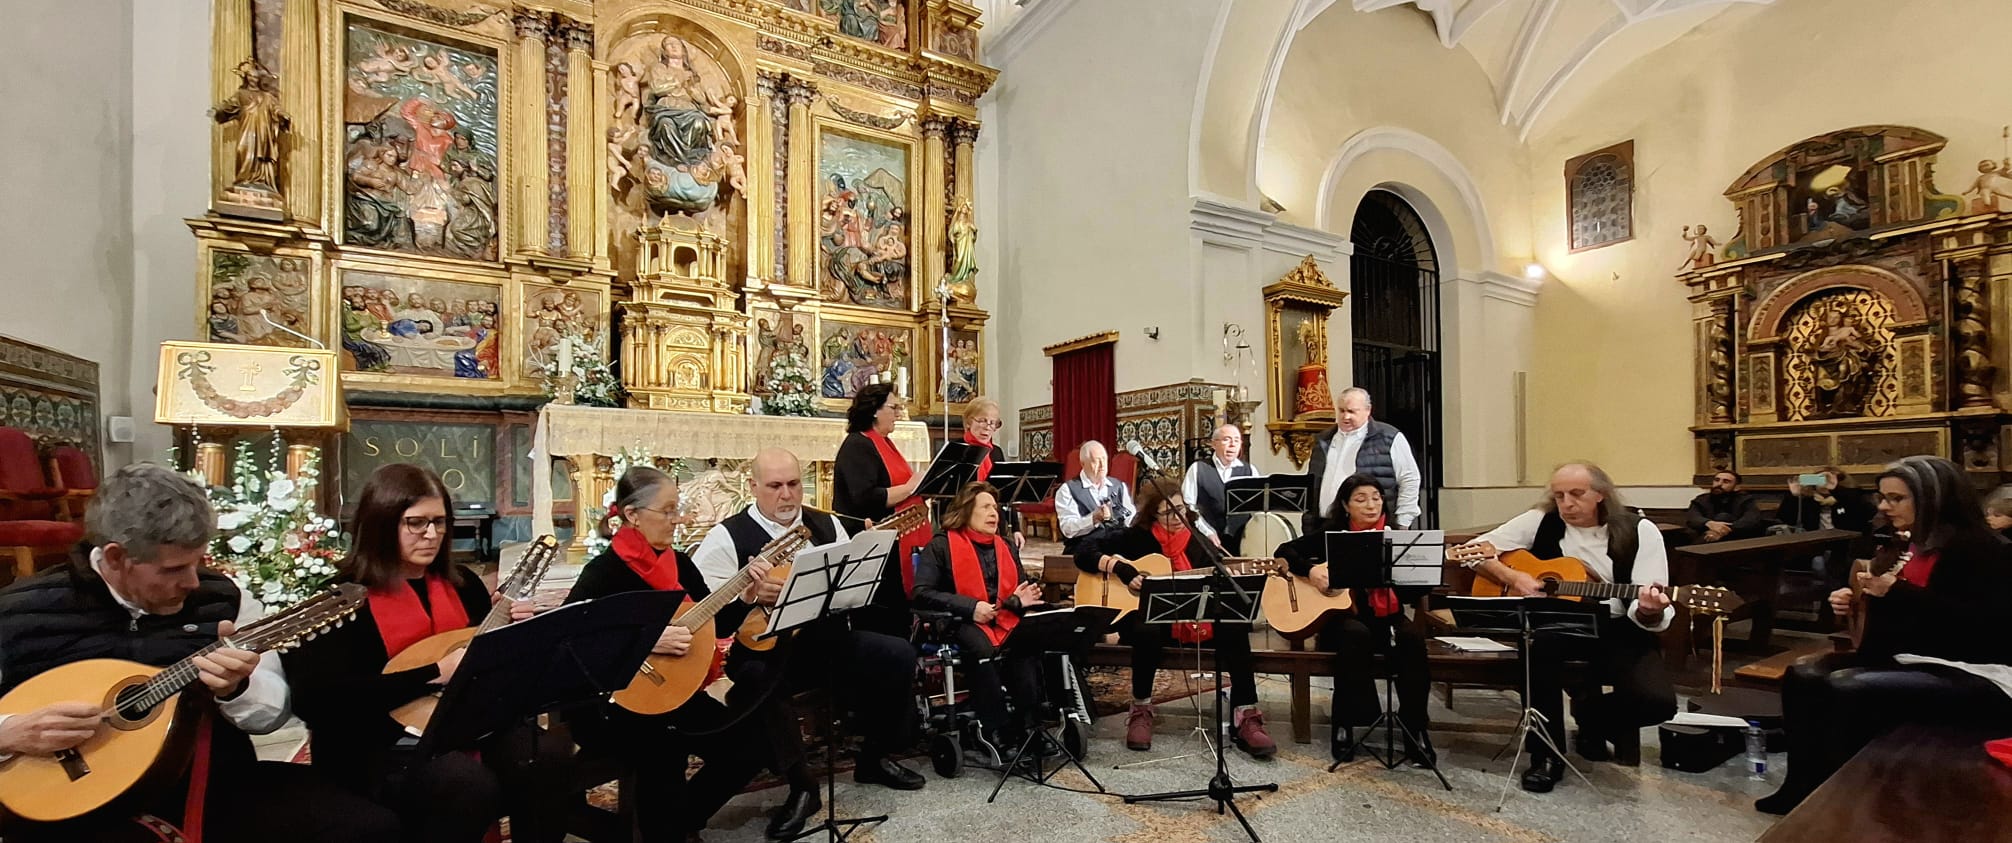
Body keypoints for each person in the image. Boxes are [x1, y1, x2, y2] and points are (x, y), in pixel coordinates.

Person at [0, 464, 398, 843]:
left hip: (208, 785)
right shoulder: (20, 611)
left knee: (365, 827)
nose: (193, 582)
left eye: (199, 562)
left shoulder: (223, 600)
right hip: (66, 802)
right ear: (117, 557)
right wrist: (12, 731)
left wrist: (236, 689)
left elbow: (270, 717)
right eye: (173, 569)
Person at [282, 464, 544, 842]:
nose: (432, 534)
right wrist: (434, 672)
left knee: (542, 757)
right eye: (416, 523)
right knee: (465, 784)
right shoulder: (341, 598)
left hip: (455, 722)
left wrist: (509, 629)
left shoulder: (463, 584)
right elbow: (317, 699)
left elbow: (482, 660)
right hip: (371, 743)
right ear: (382, 523)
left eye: (439, 522)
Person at [1755, 456, 2012, 815]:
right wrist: (1855, 602)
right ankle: (1803, 786)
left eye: (1896, 498)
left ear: (1934, 499)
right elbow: (1904, 615)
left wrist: (1895, 594)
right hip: (1919, 658)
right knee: (1804, 675)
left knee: (1849, 687)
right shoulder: (1915, 546)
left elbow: (1984, 631)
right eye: (1883, 497)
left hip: (1979, 671)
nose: (1884, 506)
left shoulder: (1985, 550)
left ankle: (1854, 803)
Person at [693, 447, 927, 822]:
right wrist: (748, 597)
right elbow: (710, 620)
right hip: (763, 651)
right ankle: (803, 786)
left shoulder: (826, 524)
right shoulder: (726, 537)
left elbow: (848, 592)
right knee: (758, 679)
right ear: (752, 486)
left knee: (897, 654)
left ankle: (874, 757)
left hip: (822, 641)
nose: (786, 494)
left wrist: (867, 555)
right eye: (774, 486)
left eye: (794, 484)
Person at [564, 466, 774, 841]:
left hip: (673, 691)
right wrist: (645, 641)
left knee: (749, 747)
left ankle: (680, 821)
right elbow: (572, 642)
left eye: (678, 509)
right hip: (613, 702)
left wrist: (746, 595)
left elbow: (718, 625)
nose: (678, 520)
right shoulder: (604, 572)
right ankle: (665, 830)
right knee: (663, 747)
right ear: (632, 515)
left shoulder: (679, 563)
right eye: (668, 511)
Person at [1452, 462, 1677, 793]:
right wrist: (1513, 577)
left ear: (1601, 494)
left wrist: (1647, 609)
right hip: (1556, 624)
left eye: (1576, 494)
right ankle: (1545, 756)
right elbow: (1474, 552)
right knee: (1537, 651)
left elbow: (1649, 608)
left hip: (1618, 627)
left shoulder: (1639, 531)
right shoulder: (1541, 520)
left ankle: (1589, 715)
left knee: (1658, 702)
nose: (1566, 504)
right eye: (1558, 496)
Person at [1076, 481, 1276, 760]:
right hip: (1148, 623)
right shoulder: (1137, 538)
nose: (1175, 518)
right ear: (1152, 515)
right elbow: (1083, 551)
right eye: (1166, 513)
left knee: (1235, 628)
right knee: (1147, 628)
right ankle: (1141, 709)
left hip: (1194, 621)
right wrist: (1120, 568)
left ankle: (1246, 714)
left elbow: (1221, 580)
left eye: (1180, 510)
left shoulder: (1198, 543)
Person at [1273, 474, 1432, 766]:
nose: (1371, 505)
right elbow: (1284, 552)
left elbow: (1414, 592)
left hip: (1388, 620)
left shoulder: (1398, 538)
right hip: (1342, 620)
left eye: (1376, 498)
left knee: (1411, 639)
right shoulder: (1331, 533)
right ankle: (1344, 724)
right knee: (1355, 635)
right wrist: (1312, 572)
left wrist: (1417, 577)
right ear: (1346, 505)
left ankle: (1415, 728)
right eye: (1361, 499)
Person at [913, 482, 1048, 750]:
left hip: (1005, 616)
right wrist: (971, 607)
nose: (994, 513)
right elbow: (921, 593)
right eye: (985, 507)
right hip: (958, 619)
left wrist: (1021, 600)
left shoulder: (1006, 546)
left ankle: (1030, 726)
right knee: (982, 649)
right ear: (966, 511)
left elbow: (1019, 591)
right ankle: (996, 728)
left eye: (995, 508)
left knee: (1025, 645)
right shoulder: (941, 546)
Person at [831, 382, 926, 635]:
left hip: (891, 540)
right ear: (875, 410)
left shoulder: (883, 443)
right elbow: (864, 498)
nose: (898, 413)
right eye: (893, 407)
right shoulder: (857, 445)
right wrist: (910, 488)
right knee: (883, 616)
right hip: (871, 542)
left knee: (897, 615)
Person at [1304, 387, 1421, 537]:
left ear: (1368, 410)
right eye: (1341, 411)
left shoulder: (1389, 437)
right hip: (1324, 524)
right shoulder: (1323, 440)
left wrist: (1403, 521)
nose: (1346, 416)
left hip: (1373, 526)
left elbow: (1409, 479)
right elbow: (1314, 484)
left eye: (1352, 411)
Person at [1182, 424, 1256, 555]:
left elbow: (1258, 509)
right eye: (1227, 439)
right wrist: (1207, 531)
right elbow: (1189, 506)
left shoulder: (1250, 470)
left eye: (1237, 440)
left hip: (1243, 541)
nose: (1233, 444)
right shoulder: (1198, 469)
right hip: (1208, 542)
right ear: (1214, 444)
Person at [961, 396, 1023, 549]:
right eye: (982, 420)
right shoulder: (958, 450)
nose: (987, 427)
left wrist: (1016, 528)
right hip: (965, 523)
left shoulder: (996, 452)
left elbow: (1007, 491)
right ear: (969, 422)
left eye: (993, 423)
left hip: (995, 523)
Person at [1054, 440, 1135, 554]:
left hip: (1116, 545)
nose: (1102, 466)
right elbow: (1068, 529)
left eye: (1104, 460)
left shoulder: (1118, 486)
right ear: (1083, 463)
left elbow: (1131, 518)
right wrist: (1093, 519)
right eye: (1096, 461)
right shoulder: (1068, 490)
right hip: (1085, 549)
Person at [1776, 466, 1875, 535]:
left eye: (1827, 480)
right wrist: (1794, 497)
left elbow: (1866, 513)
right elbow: (1785, 520)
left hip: (1844, 545)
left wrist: (1836, 490)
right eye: (1820, 479)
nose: (1823, 483)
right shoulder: (1807, 500)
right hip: (1813, 545)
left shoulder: (1849, 498)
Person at [1685, 469, 1766, 543]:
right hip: (1704, 534)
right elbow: (1692, 517)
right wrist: (1709, 523)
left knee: (1724, 517)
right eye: (1717, 480)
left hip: (1736, 539)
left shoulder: (1745, 500)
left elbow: (1750, 520)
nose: (1719, 484)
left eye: (1726, 482)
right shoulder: (1701, 499)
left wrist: (1719, 531)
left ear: (1736, 487)